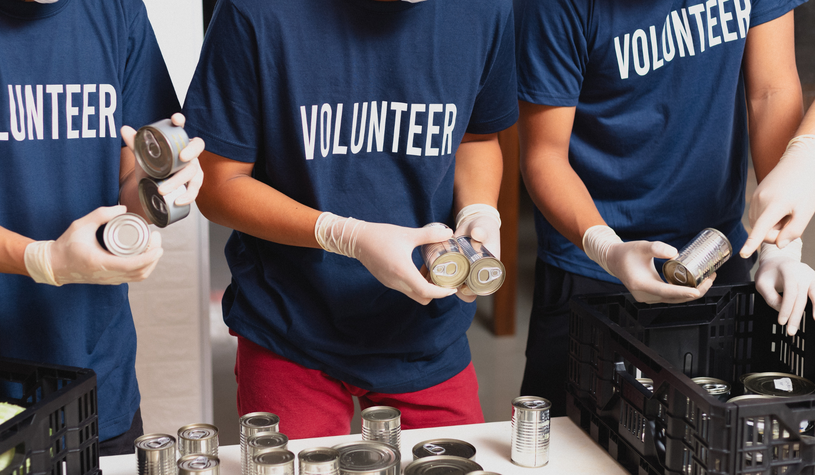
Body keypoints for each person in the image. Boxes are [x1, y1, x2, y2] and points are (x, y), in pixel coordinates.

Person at [183, 0, 517, 438]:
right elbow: (218, 182)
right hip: (291, 322)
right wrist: (344, 236)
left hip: (425, 325)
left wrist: (478, 208)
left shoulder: (484, 9)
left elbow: (476, 135)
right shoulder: (257, 11)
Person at [514, 0, 813, 416]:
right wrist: (606, 248)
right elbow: (544, 156)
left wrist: (780, 241)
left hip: (715, 251)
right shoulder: (554, 8)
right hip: (592, 265)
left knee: (714, 428)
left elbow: (770, 91)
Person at [0, 0, 204, 455]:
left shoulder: (117, 10)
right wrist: (42, 260)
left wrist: (165, 190)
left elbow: (131, 180)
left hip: (94, 373)